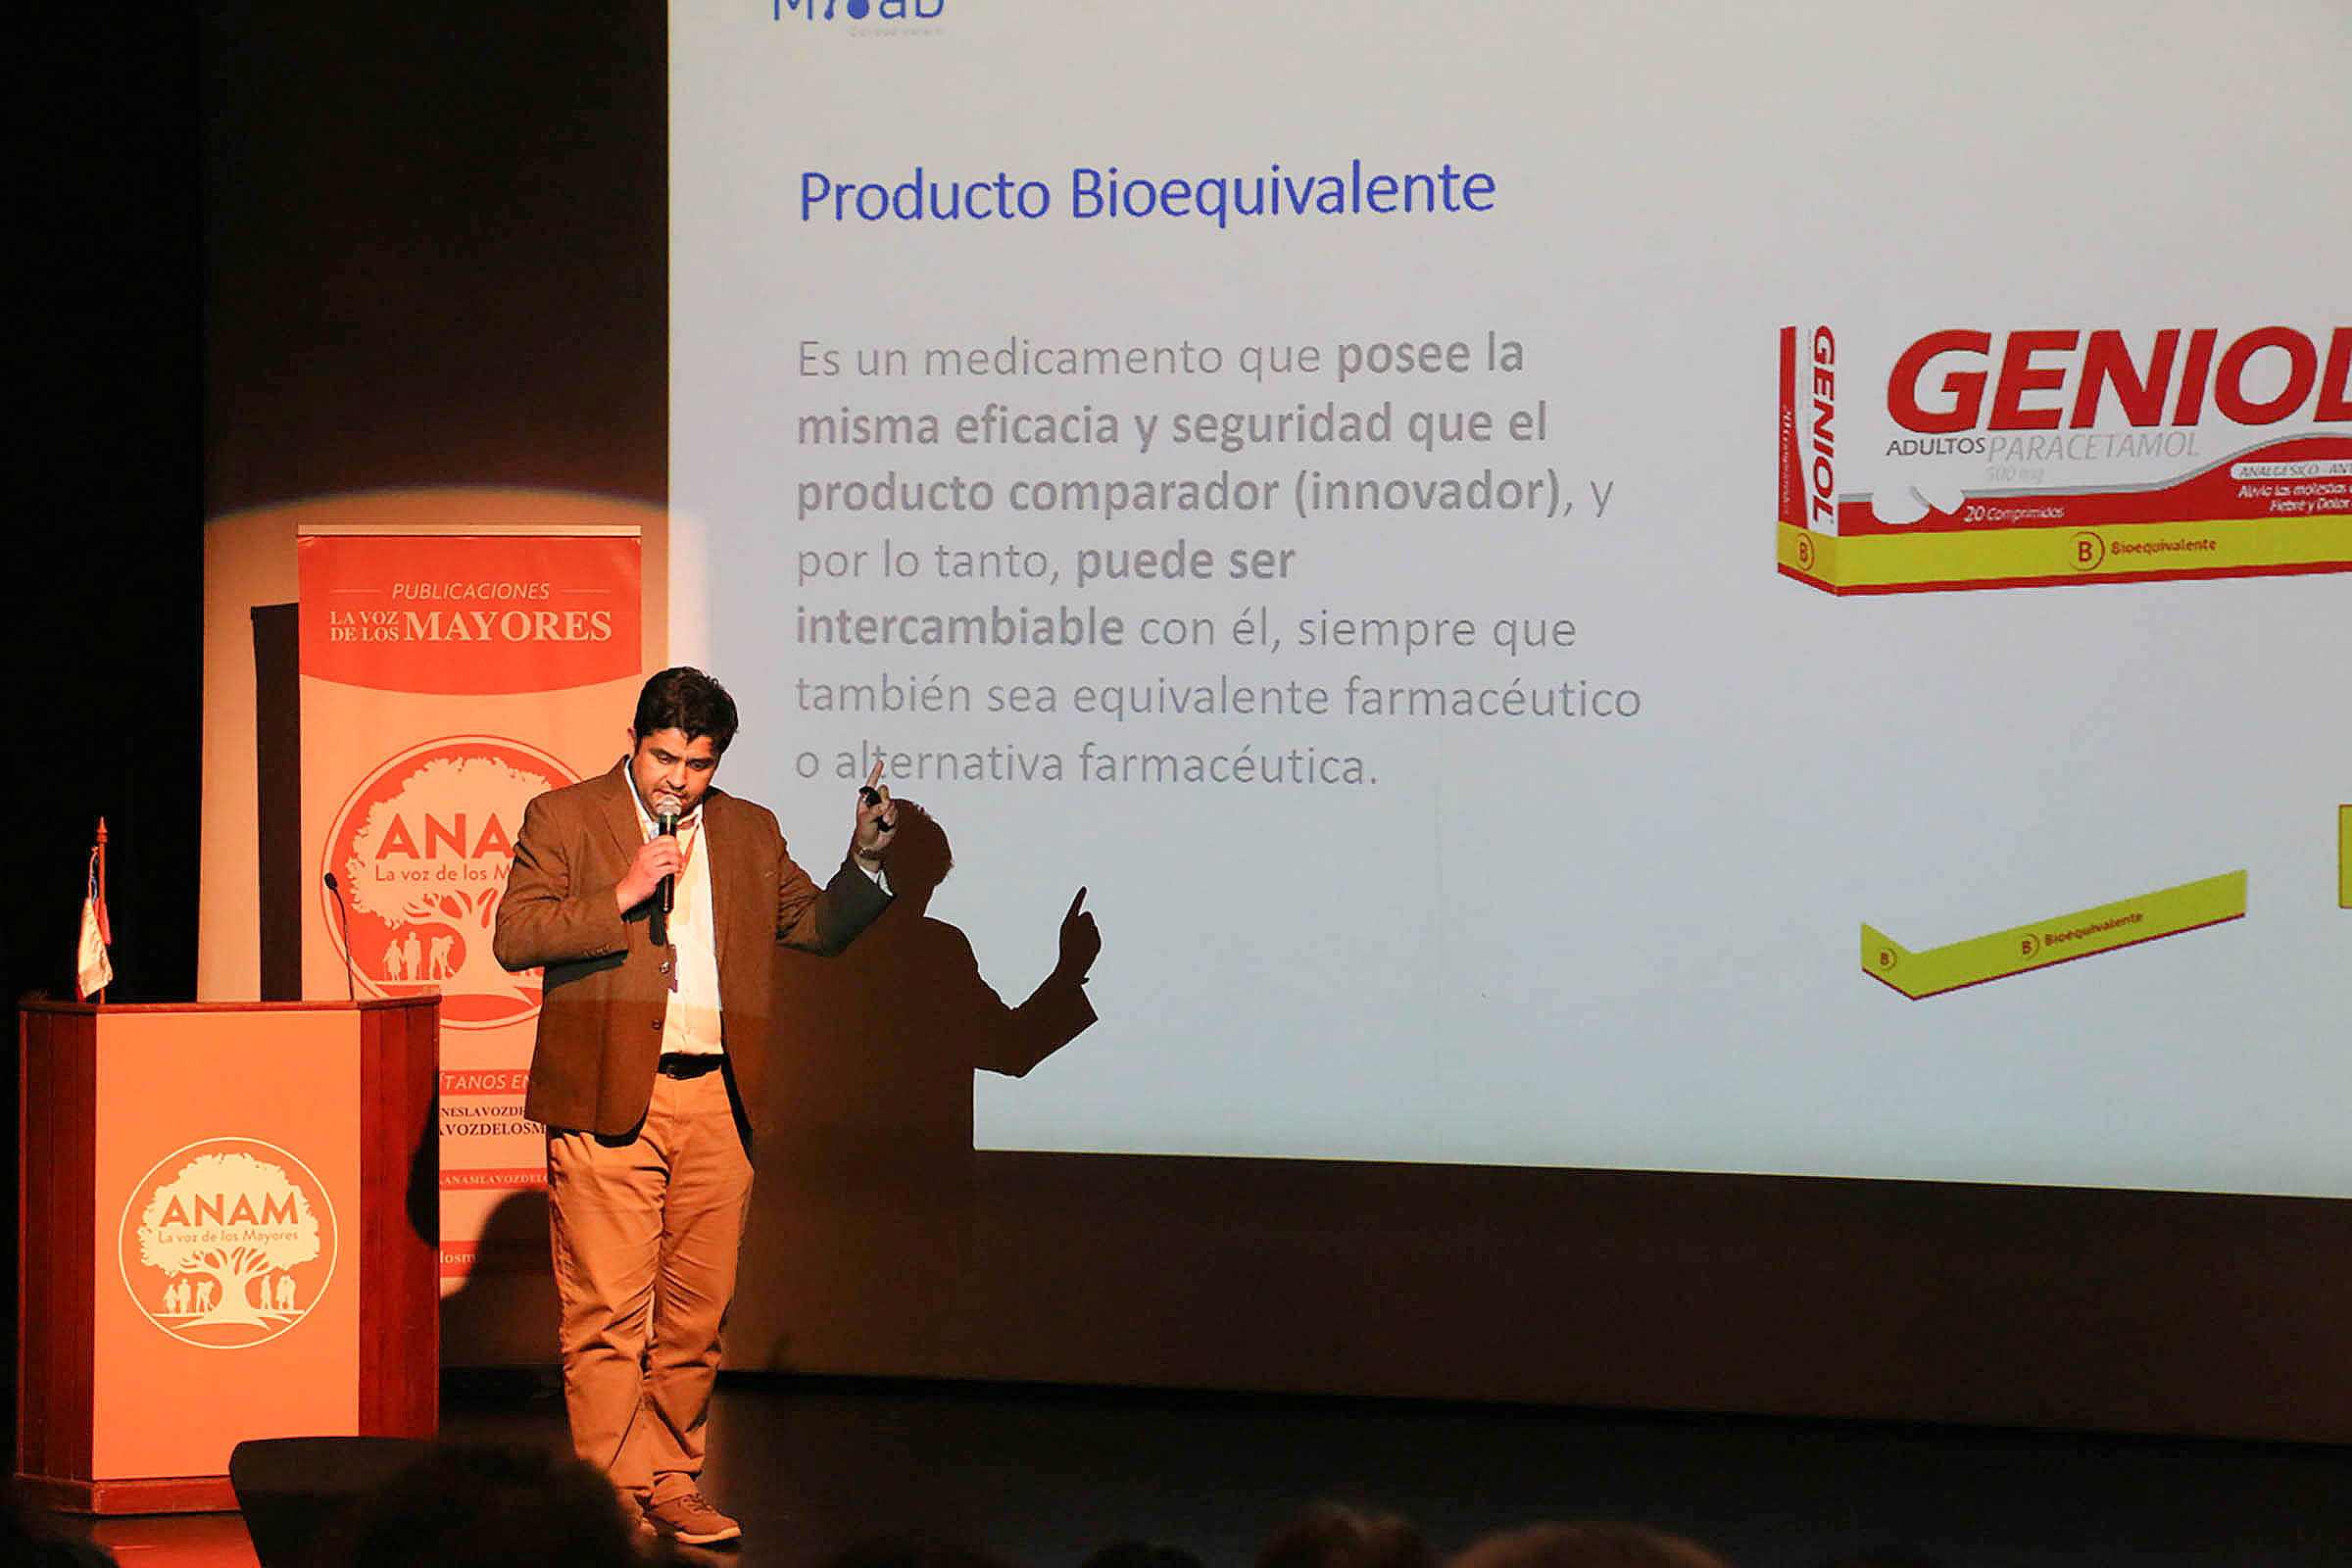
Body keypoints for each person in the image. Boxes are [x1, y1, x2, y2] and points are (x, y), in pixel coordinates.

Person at [493, 666, 897, 1546]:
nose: (676, 780)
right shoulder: (564, 816)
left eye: (698, 764)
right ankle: (605, 1496)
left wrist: (865, 861)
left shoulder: (750, 830)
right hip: (607, 1094)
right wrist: (624, 892)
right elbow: (515, 936)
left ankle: (673, 1480)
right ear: (634, 742)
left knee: (696, 1315)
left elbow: (816, 927)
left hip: (718, 1097)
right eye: (663, 758)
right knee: (606, 1316)